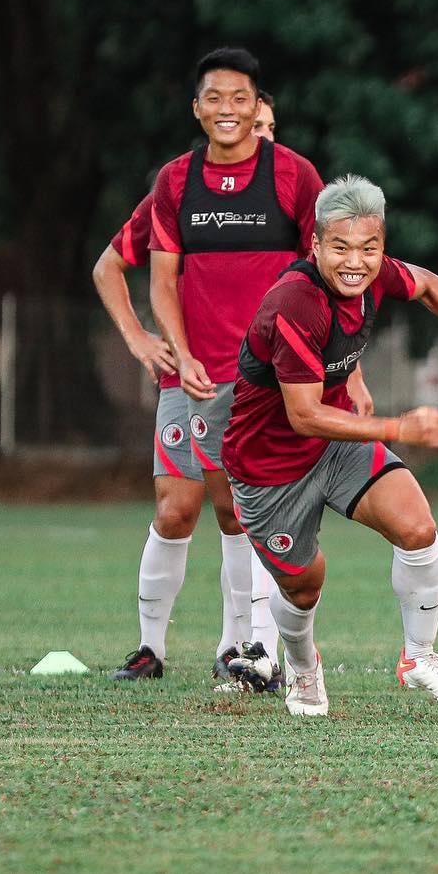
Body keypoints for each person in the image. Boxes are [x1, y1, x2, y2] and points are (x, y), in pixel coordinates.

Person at [222, 174, 438, 717]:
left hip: (335, 446)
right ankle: (303, 668)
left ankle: (419, 657)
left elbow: (428, 285)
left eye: (369, 248)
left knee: (418, 528)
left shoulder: (373, 274)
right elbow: (303, 415)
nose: (355, 262)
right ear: (315, 245)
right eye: (340, 247)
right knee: (304, 587)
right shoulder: (295, 303)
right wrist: (399, 429)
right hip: (268, 469)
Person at [96, 89, 313, 680]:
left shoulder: (291, 194)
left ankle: (239, 648)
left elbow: (328, 287)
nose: (256, 136)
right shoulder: (182, 194)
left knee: (241, 513)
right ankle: (150, 649)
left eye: (266, 127)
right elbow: (108, 266)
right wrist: (140, 339)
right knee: (175, 509)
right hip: (190, 378)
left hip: (265, 384)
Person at [144, 47, 325, 681]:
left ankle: (261, 652)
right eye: (215, 98)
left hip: (277, 380)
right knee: (225, 511)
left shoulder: (296, 175)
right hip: (204, 379)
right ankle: (217, 647)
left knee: (266, 510)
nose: (228, 109)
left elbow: (329, 269)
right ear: (197, 108)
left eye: (240, 98)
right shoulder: (174, 181)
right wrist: (180, 352)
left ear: (257, 107)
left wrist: (340, 367)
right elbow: (160, 280)